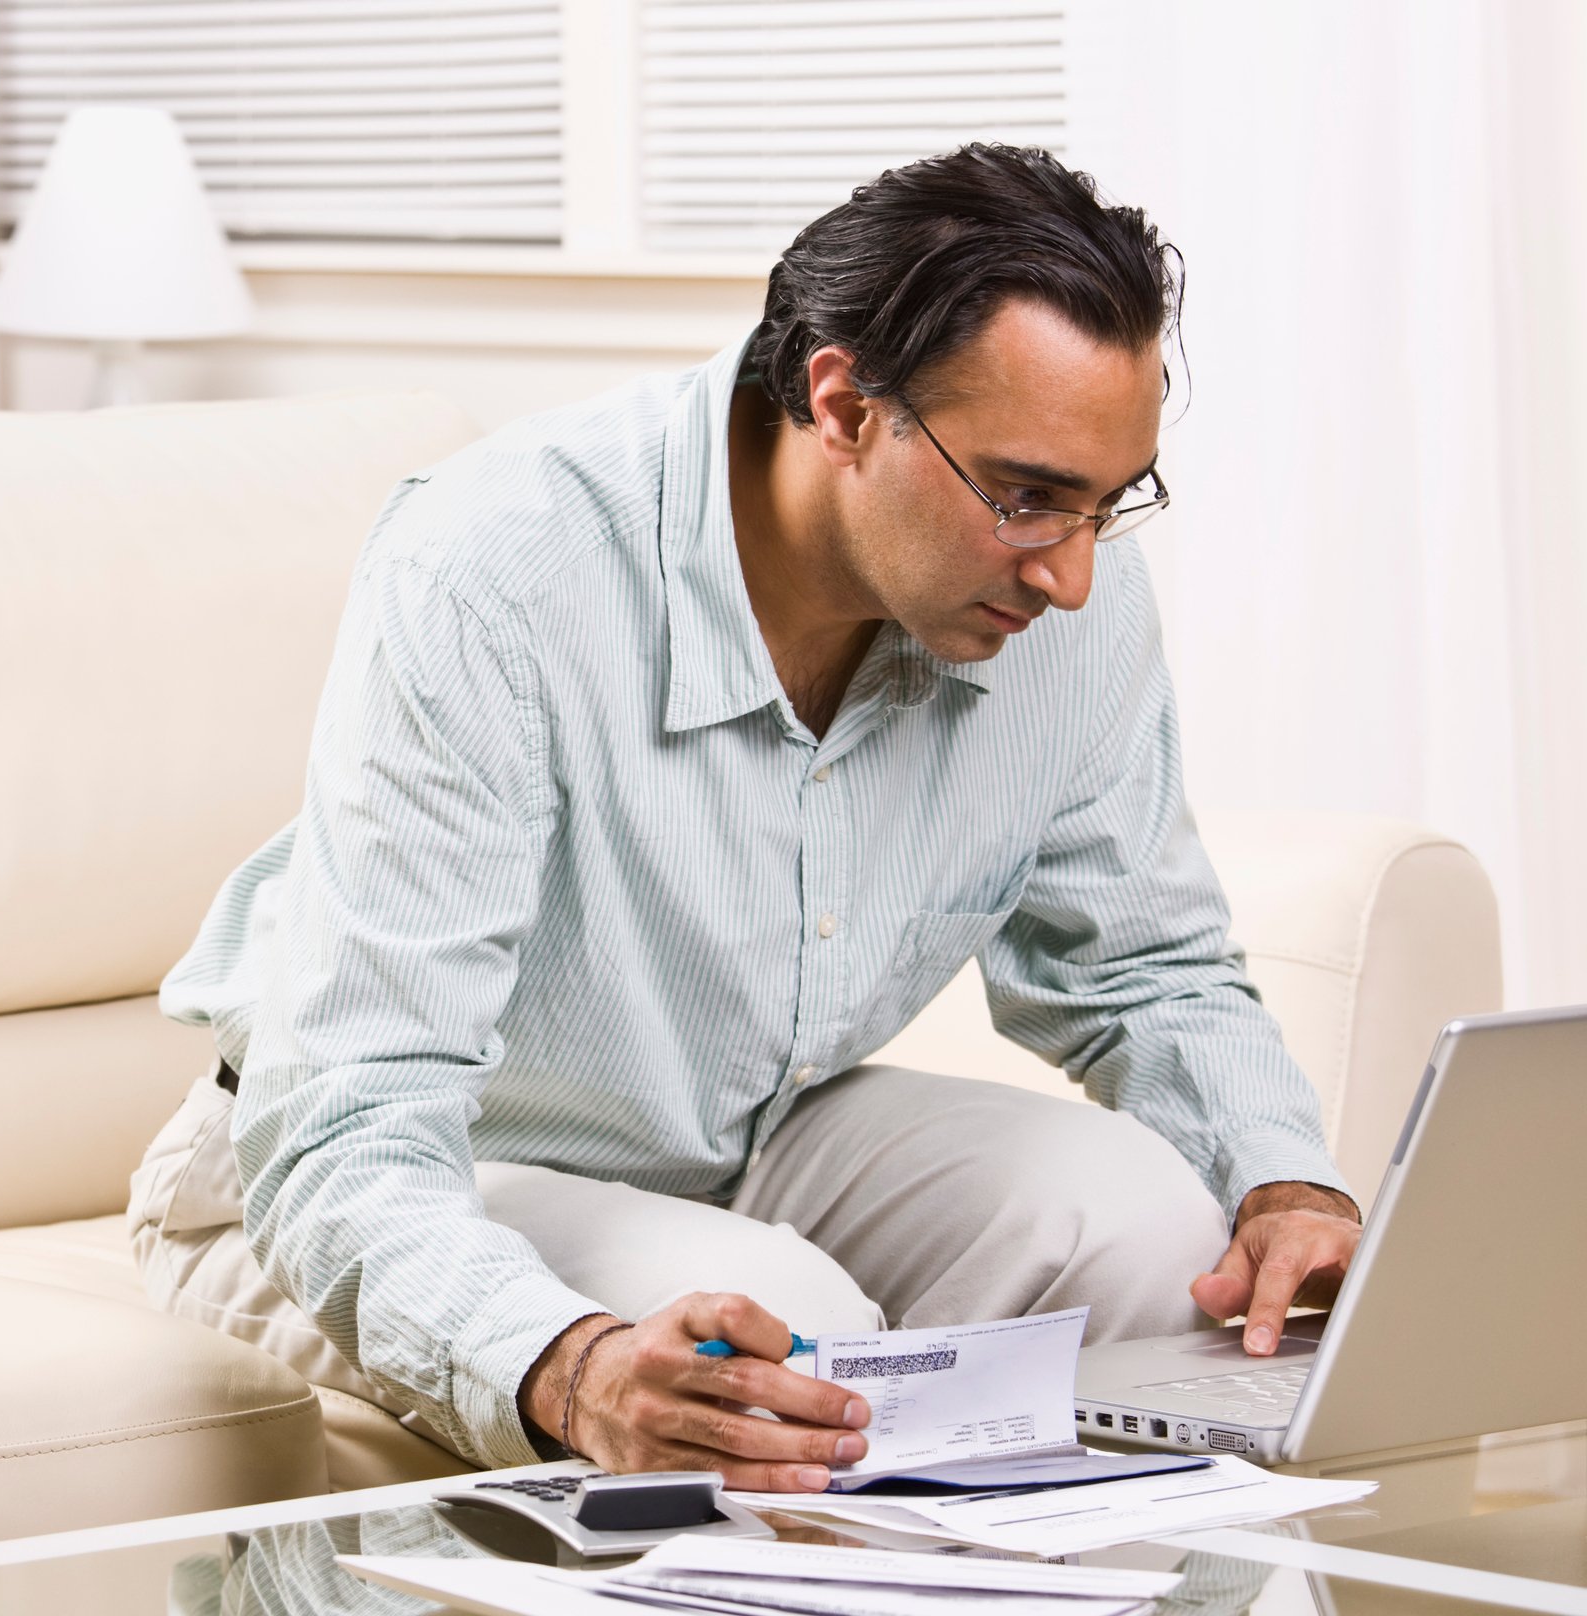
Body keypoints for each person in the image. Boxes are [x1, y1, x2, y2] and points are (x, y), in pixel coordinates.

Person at [128, 143, 1362, 1493]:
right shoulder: (499, 571)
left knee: (1160, 1244)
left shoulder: (1060, 600)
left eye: (1109, 502)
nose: (1071, 574)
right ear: (842, 403)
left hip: (750, 1133)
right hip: (389, 1167)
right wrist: (575, 1365)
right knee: (769, 1357)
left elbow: (1141, 965)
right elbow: (352, 1112)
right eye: (1025, 496)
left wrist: (1283, 1187)